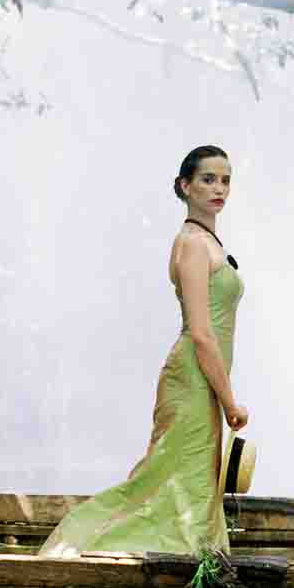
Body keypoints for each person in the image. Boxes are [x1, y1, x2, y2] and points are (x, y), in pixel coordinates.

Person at [37, 145, 249, 559]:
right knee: (170, 472)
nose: (219, 187)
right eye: (208, 179)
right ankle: (87, 542)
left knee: (191, 475)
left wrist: (222, 394)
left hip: (205, 376)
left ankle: (194, 554)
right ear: (185, 186)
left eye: (225, 179)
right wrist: (229, 402)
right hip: (193, 374)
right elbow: (202, 334)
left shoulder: (210, 241)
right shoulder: (191, 244)